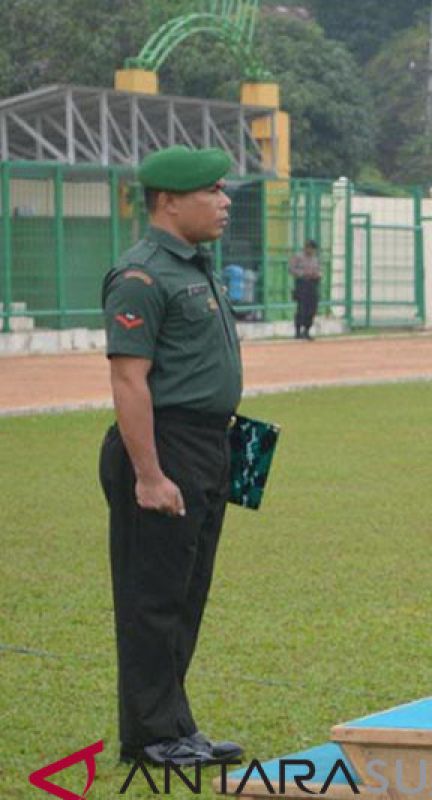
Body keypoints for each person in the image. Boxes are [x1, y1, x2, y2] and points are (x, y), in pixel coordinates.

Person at [98, 145, 245, 765]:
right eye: (210, 191)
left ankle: (174, 725)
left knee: (186, 594)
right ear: (168, 201)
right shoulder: (142, 275)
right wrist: (150, 474)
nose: (224, 201)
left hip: (209, 443)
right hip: (164, 446)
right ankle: (151, 737)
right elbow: (130, 381)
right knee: (153, 598)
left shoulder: (194, 265)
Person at [289, 239, 321, 340]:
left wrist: (317, 274)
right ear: (306, 248)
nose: (311, 251)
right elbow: (291, 269)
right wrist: (303, 273)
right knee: (301, 308)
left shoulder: (315, 259)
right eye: (310, 248)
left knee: (312, 308)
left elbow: (319, 270)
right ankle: (298, 331)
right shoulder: (298, 257)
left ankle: (307, 330)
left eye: (313, 249)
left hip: (313, 284)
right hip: (302, 284)